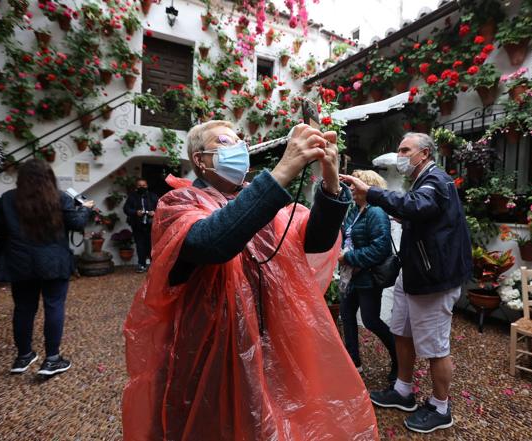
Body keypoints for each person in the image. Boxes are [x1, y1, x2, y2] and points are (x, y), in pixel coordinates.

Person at [122, 121, 379, 440]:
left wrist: (330, 179)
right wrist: (284, 168)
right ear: (201, 160)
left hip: (264, 345)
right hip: (203, 353)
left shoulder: (266, 205)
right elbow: (212, 241)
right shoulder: (178, 203)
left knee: (259, 423)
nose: (240, 146)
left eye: (241, 140)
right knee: (208, 425)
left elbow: (315, 239)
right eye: (226, 141)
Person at [340, 132, 472, 434]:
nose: (400, 155)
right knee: (401, 330)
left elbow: (417, 205)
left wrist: (372, 194)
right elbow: (421, 214)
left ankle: (440, 408)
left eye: (404, 149)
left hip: (433, 278)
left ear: (423, 153)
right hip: (414, 273)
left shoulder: (436, 180)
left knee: (437, 347)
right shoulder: (425, 181)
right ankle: (403, 390)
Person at [0, 159, 93, 376]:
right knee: (54, 306)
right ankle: (52, 359)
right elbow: (77, 223)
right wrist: (85, 209)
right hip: (53, 262)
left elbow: (0, 230)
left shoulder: (9, 198)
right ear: (49, 177)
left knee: (23, 308)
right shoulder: (59, 197)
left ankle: (23, 356)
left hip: (20, 263)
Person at [339, 169, 397, 381]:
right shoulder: (355, 210)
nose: (352, 187)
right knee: (346, 316)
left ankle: (399, 359)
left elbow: (380, 249)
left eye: (356, 184)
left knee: (371, 320)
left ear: (368, 186)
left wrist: (349, 258)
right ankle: (354, 363)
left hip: (368, 277)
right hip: (351, 277)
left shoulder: (376, 212)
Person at [123, 178, 159, 273]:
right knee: (140, 246)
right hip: (137, 225)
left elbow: (161, 208)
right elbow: (126, 209)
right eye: (139, 185)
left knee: (151, 245)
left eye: (144, 185)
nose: (142, 187)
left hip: (151, 225)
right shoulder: (132, 197)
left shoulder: (153, 196)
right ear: (136, 186)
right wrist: (135, 212)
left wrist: (155, 212)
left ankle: (152, 265)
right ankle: (141, 264)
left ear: (147, 186)